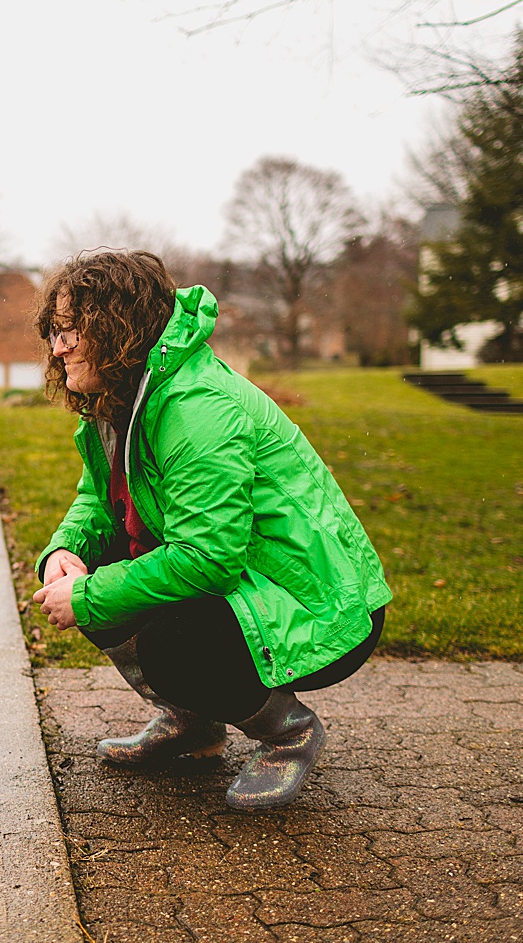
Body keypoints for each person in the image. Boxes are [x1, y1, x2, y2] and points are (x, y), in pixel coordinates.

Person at [30, 250, 392, 809]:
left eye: (72, 329)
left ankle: (288, 732)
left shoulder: (197, 407)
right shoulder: (121, 400)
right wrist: (65, 552)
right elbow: (99, 502)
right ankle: (193, 722)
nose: (58, 347)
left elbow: (207, 558)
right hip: (249, 586)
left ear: (118, 326)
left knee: (171, 636)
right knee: (90, 579)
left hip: (321, 604)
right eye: (55, 331)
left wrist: (90, 594)